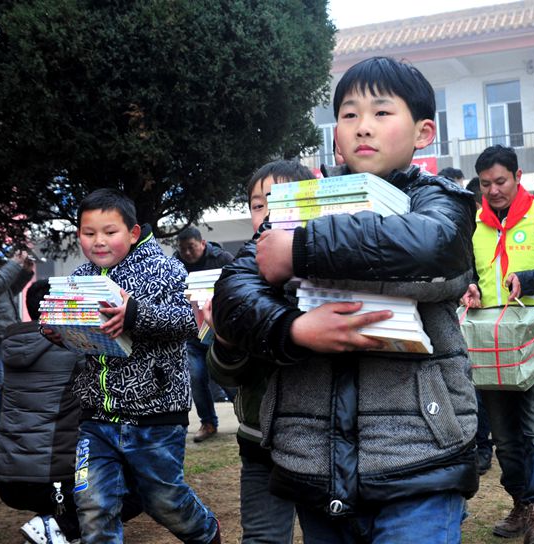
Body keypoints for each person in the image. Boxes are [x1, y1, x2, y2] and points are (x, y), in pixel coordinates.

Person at [212, 56, 479, 543]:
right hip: (311, 457)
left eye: (381, 113)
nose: (363, 127)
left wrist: (301, 250)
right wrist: (292, 330)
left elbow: (433, 249)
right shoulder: (297, 205)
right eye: (349, 115)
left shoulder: (442, 201)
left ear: (423, 133)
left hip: (416, 454)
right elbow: (234, 292)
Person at [44, 188, 219, 543]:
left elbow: (193, 320)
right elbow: (64, 324)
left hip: (154, 416)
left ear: (133, 232)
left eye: (110, 232)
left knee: (164, 501)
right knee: (92, 505)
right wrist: (55, 329)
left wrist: (135, 314)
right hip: (96, 416)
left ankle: (208, 534)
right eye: (89, 233)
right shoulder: (79, 278)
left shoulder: (164, 269)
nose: (99, 242)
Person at [462, 145, 534, 544]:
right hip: (490, 344)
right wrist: (468, 287)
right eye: (486, 184)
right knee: (504, 438)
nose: (493, 191)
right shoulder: (473, 223)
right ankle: (520, 503)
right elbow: (467, 272)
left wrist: (528, 278)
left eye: (500, 182)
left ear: (518, 176)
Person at [206, 160, 314, 543]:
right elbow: (224, 374)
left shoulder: (331, 269)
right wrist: (225, 341)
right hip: (259, 440)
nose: (267, 214)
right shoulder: (237, 280)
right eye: (257, 204)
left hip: (323, 442)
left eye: (281, 200)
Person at [0, 279, 143, 544]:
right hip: (51, 479)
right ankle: (60, 525)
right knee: (142, 486)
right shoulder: (74, 347)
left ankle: (55, 519)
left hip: (8, 479)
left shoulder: (12, 344)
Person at [174, 227, 235, 442]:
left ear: (203, 243)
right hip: (192, 333)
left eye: (191, 248)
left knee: (226, 375)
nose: (187, 253)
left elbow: (238, 286)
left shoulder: (222, 258)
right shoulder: (175, 265)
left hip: (219, 330)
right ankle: (208, 422)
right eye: (183, 249)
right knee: (197, 376)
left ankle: (246, 419)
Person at [0, 249, 35, 421]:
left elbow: (10, 289)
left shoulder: (1, 274)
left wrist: (25, 271)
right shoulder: (1, 274)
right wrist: (14, 264)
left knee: (4, 381)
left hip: (3, 333)